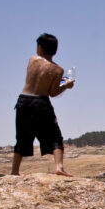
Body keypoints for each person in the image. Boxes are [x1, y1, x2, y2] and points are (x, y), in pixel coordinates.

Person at [11, 33, 75, 177]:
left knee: (21, 136)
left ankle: (14, 170)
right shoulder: (58, 70)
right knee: (55, 137)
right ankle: (59, 167)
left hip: (23, 100)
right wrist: (66, 84)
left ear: (39, 47)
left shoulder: (32, 60)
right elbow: (52, 92)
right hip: (41, 102)